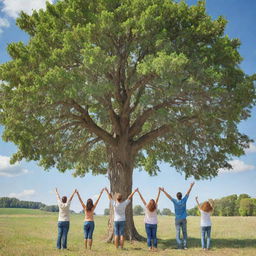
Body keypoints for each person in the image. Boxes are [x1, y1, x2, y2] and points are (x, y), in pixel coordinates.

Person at [160, 182, 195, 249]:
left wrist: (164, 191)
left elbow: (169, 197)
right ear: (181, 196)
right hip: (184, 219)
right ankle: (185, 246)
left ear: (177, 196)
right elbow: (188, 193)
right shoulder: (184, 200)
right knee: (184, 233)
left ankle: (179, 246)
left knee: (177, 233)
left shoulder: (175, 201)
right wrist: (191, 186)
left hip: (177, 219)